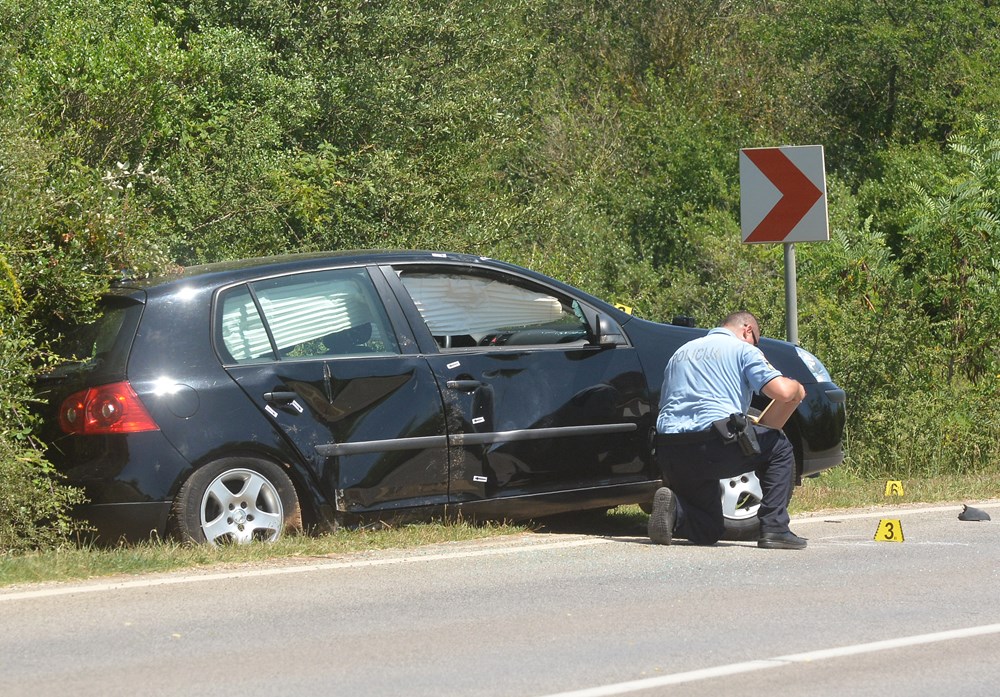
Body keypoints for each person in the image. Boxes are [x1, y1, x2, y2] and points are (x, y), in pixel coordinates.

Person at [648, 311, 808, 550]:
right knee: (779, 446)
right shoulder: (743, 349)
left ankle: (675, 511)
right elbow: (782, 392)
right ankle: (775, 528)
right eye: (756, 341)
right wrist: (797, 388)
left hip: (670, 450)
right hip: (713, 444)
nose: (756, 346)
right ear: (748, 330)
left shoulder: (680, 353)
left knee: (709, 529)